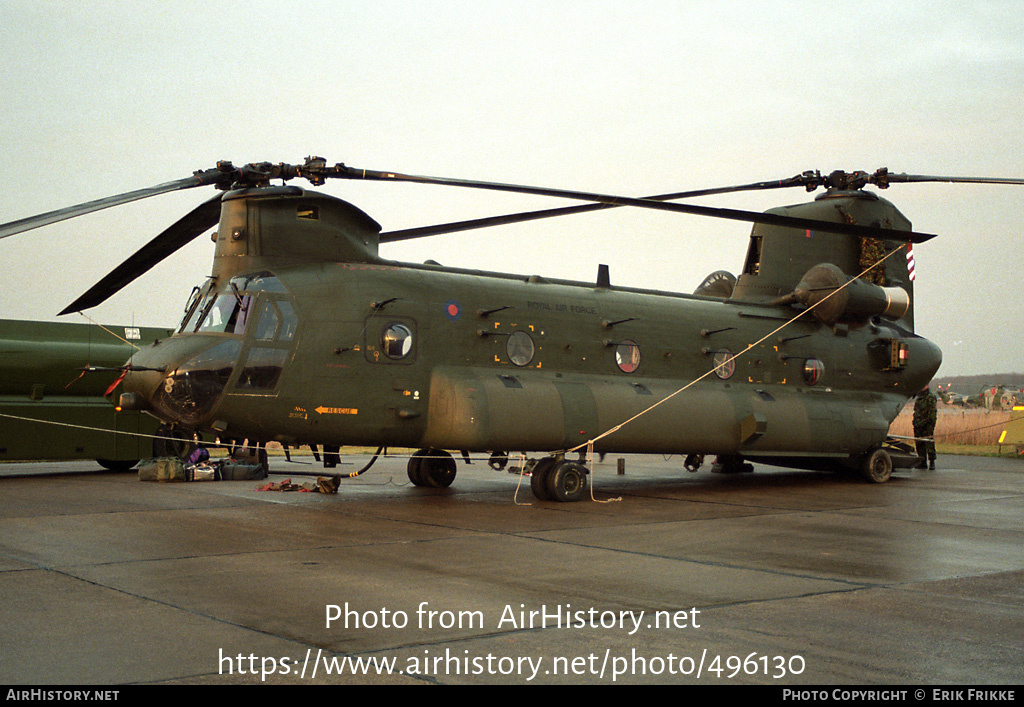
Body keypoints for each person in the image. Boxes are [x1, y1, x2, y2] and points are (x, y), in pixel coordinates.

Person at [913, 384, 937, 469]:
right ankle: (922, 461)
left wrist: (929, 423)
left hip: (927, 424)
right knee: (919, 443)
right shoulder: (919, 397)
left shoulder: (930, 397)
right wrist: (915, 422)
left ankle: (932, 461)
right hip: (918, 423)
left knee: (929, 442)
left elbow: (932, 412)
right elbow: (916, 411)